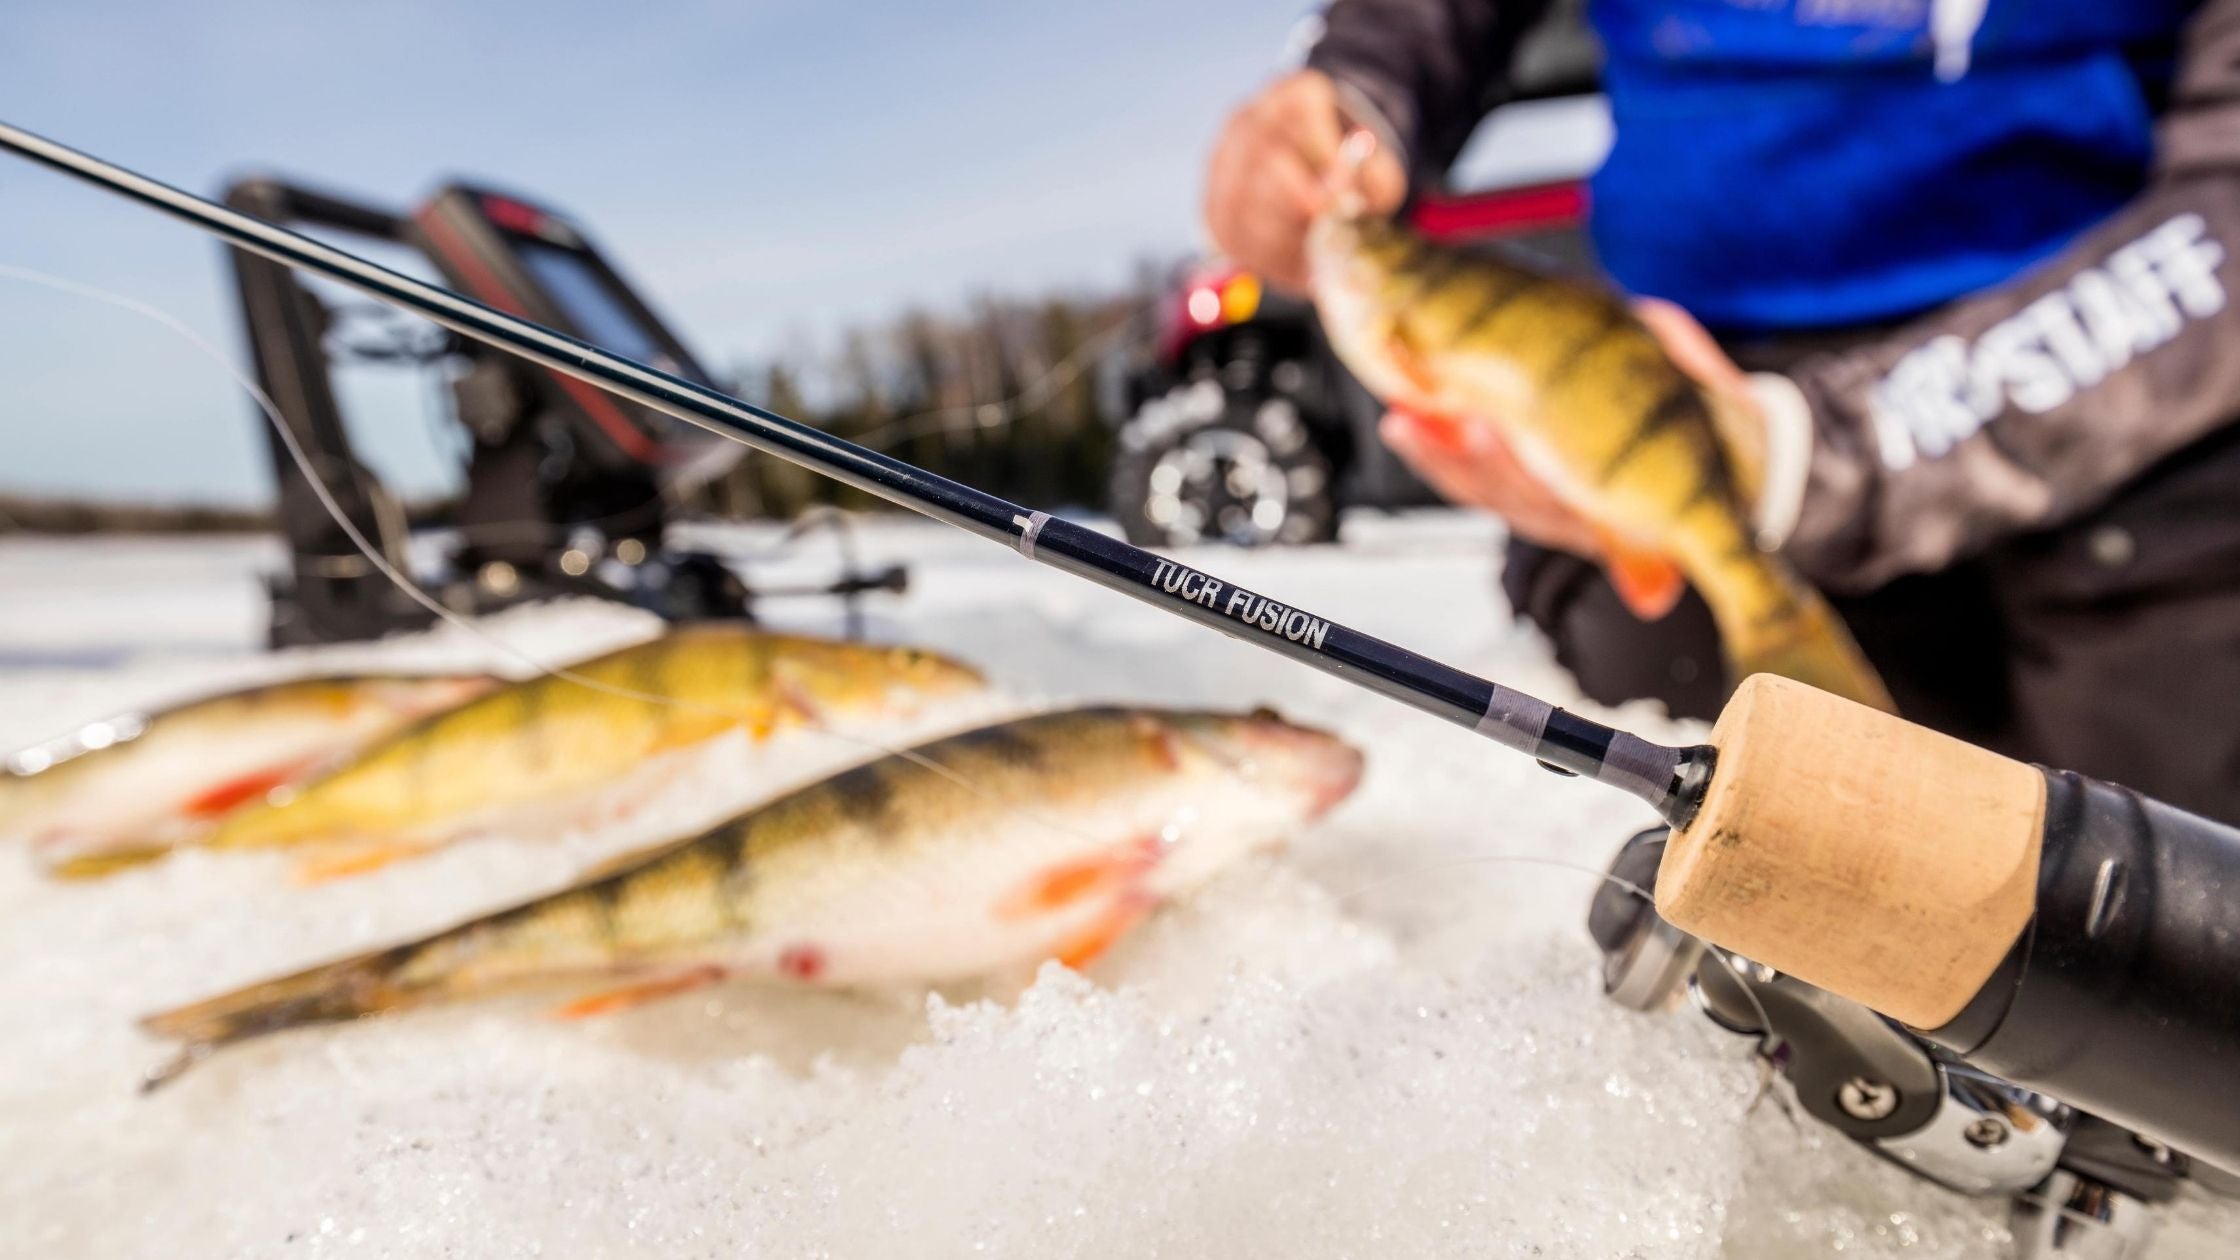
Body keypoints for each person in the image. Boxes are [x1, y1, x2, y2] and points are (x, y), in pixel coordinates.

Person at [1203, 0, 2240, 824]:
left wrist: (1808, 456)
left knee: (2152, 890)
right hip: (1695, 368)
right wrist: (1354, 91)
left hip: (2135, 384)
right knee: (1693, 787)